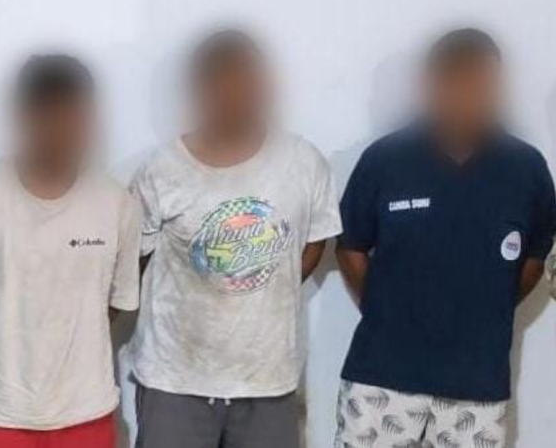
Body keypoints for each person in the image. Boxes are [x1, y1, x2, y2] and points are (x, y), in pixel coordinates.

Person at [335, 29, 556, 448]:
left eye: (482, 87)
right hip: (381, 378)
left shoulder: (526, 170)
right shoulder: (385, 160)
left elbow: (535, 257)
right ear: (432, 85)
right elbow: (350, 247)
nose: (469, 99)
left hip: (478, 387)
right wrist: (384, 308)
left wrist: (488, 307)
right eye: (457, 85)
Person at [128, 29, 343, 448]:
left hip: (267, 382)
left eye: (244, 80)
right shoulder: (161, 170)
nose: (233, 95)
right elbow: (135, 260)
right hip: (175, 381)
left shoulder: (303, 163)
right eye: (220, 82)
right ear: (200, 89)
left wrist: (253, 275)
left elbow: (312, 243)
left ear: (262, 84)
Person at [0, 55, 141, 448]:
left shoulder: (118, 204)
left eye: (75, 116)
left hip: (85, 415)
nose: (63, 130)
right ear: (24, 117)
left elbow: (114, 304)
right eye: (49, 115)